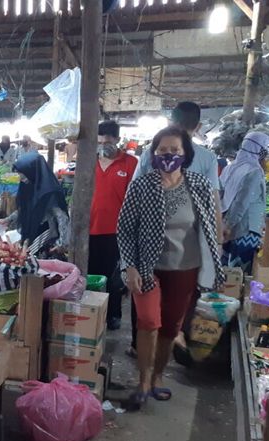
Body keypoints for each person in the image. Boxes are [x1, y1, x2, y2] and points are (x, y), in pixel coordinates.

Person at [117, 126, 224, 410]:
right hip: (147, 266)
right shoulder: (142, 186)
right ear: (153, 154)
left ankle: (158, 377)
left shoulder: (199, 185)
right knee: (149, 321)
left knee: (169, 328)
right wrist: (130, 266)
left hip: (185, 268)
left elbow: (210, 225)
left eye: (174, 150)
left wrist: (216, 261)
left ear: (185, 154)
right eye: (162, 150)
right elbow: (125, 229)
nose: (168, 155)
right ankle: (142, 381)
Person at [88, 121, 138, 331]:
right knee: (91, 272)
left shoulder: (130, 163)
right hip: (89, 228)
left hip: (117, 231)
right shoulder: (89, 162)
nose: (103, 144)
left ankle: (113, 315)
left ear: (117, 140)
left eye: (108, 140)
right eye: (99, 140)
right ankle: (91, 312)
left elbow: (135, 199)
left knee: (114, 276)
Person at [131, 102, 220, 191]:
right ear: (199, 126)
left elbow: (133, 190)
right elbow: (213, 196)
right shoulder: (208, 158)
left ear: (170, 124)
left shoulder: (150, 153)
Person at [221, 131, 269, 272]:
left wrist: (225, 225)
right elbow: (241, 202)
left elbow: (222, 196)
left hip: (228, 226)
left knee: (228, 270)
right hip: (246, 229)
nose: (266, 155)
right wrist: (229, 226)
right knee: (240, 272)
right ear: (257, 150)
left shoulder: (230, 167)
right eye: (264, 150)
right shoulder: (253, 171)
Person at [7, 152, 70, 253]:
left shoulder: (49, 191)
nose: (21, 178)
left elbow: (61, 217)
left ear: (33, 171)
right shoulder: (28, 185)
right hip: (31, 232)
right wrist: (8, 219)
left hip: (45, 235)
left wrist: (62, 243)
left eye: (23, 174)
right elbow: (26, 208)